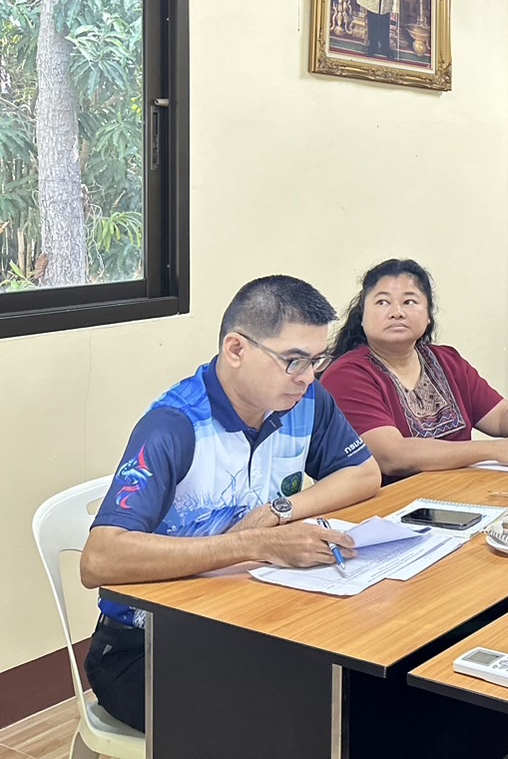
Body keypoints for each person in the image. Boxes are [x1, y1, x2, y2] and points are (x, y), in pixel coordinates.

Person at [79, 276, 382, 731]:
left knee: (370, 689)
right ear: (236, 350)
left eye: (316, 361)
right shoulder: (174, 425)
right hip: (149, 647)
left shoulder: (305, 401)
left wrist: (283, 511)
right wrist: (260, 545)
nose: (308, 377)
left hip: (253, 620)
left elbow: (364, 473)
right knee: (295, 718)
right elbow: (99, 559)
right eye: (293, 361)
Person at [322, 259, 508, 483]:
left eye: (409, 302)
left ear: (428, 317)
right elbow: (393, 456)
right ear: (362, 316)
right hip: (390, 508)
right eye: (382, 303)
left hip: (457, 492)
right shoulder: (348, 375)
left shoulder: (445, 360)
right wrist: (496, 450)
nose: (396, 312)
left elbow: (500, 415)